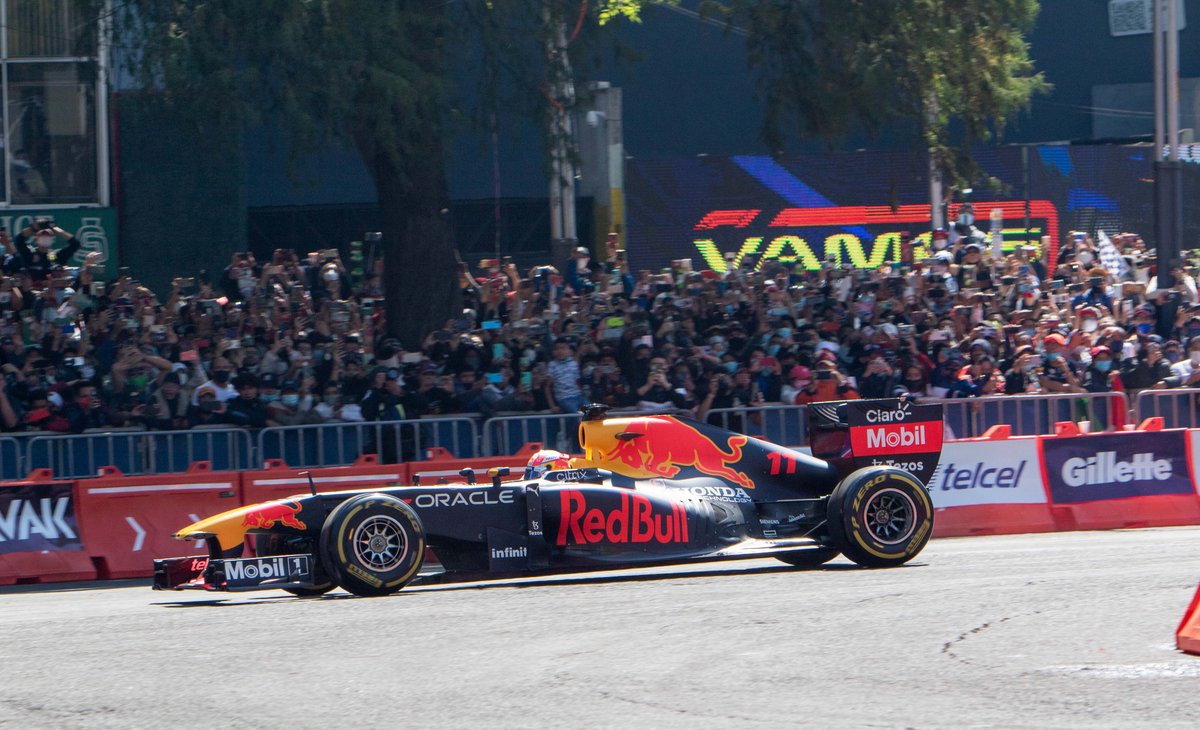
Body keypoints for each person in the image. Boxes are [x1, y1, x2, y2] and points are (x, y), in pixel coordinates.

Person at [545, 338, 584, 414]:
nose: (560, 351)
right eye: (557, 349)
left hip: (579, 396)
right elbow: (547, 387)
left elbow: (578, 382)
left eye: (563, 348)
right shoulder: (552, 365)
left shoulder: (574, 363)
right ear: (553, 352)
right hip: (564, 398)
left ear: (569, 351)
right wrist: (552, 406)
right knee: (576, 416)